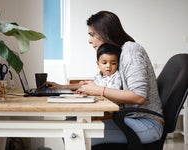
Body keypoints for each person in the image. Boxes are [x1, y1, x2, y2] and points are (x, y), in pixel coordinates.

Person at [45, 10, 164, 145]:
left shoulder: (131, 51)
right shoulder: (118, 53)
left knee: (75, 133)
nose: (89, 40)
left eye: (92, 35)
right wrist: (62, 87)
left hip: (147, 124)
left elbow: (138, 96)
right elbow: (99, 83)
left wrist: (99, 90)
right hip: (129, 119)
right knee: (71, 124)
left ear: (105, 33)